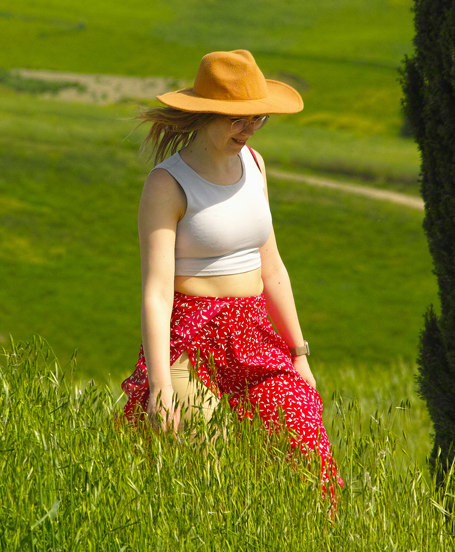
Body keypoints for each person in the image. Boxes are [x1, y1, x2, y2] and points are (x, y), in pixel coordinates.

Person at [120, 49, 343, 495]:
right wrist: (160, 386)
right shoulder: (167, 184)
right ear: (205, 114)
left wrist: (298, 354)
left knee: (307, 447)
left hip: (255, 334)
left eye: (258, 117)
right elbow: (157, 293)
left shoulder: (256, 165)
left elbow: (273, 266)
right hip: (191, 339)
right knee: (212, 467)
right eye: (236, 119)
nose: (249, 128)